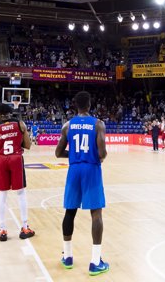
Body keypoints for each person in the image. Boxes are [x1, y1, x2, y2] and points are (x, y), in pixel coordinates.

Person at [55, 91, 109, 276]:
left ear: (75, 105)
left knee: (70, 211)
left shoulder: (68, 125)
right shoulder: (98, 124)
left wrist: (75, 156)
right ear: (90, 104)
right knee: (96, 213)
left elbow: (58, 153)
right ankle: (95, 261)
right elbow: (102, 153)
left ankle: (68, 257)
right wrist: (93, 157)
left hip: (74, 169)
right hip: (91, 170)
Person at [0, 104, 35, 241]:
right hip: (16, 158)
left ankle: (2, 230)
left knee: (2, 194)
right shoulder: (20, 124)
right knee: (21, 193)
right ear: (11, 113)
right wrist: (17, 140)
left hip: (3, 159)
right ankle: (25, 227)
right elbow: (28, 145)